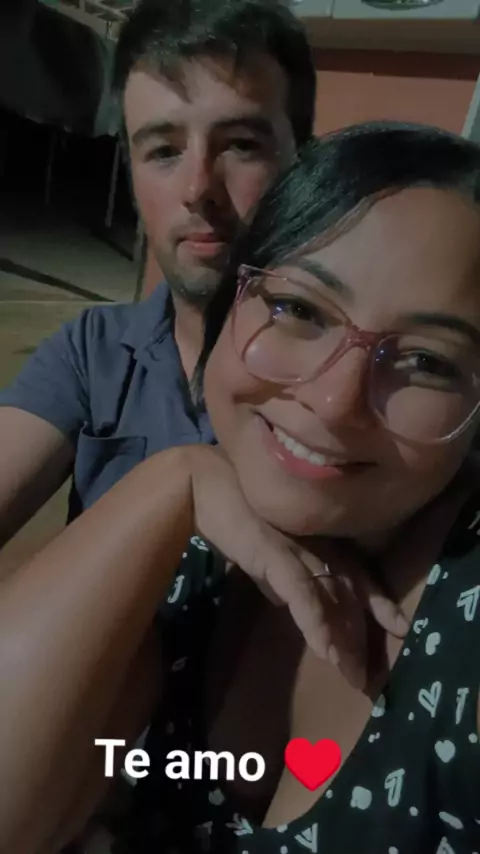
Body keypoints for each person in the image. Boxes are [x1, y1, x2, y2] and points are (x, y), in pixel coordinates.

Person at [2, 121, 480, 854]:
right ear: (231, 301)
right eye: (300, 309)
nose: (333, 402)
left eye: (427, 361)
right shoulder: (199, 553)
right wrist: (173, 482)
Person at [0, 0, 403, 686]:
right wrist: (183, 481)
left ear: (302, 163)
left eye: (241, 144)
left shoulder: (357, 386)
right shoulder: (93, 352)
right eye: (163, 150)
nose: (197, 189)